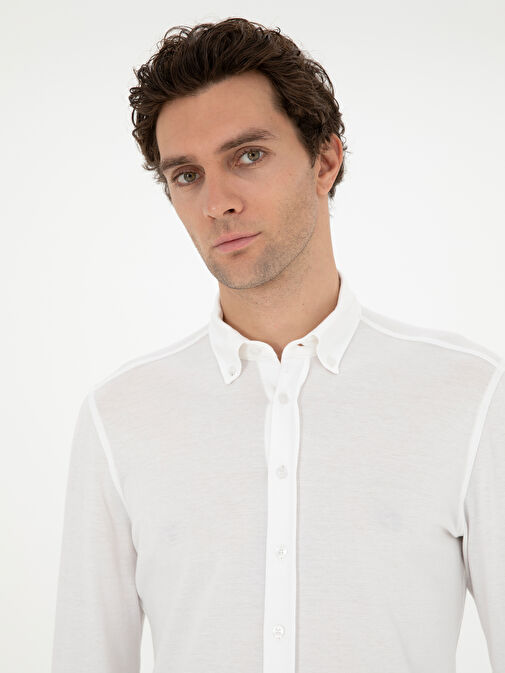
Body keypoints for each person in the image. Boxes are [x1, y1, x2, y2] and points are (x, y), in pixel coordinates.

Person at [50, 17, 505, 673]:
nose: (217, 202)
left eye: (247, 156)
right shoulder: (119, 416)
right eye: (186, 174)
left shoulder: (471, 396)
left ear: (325, 160)